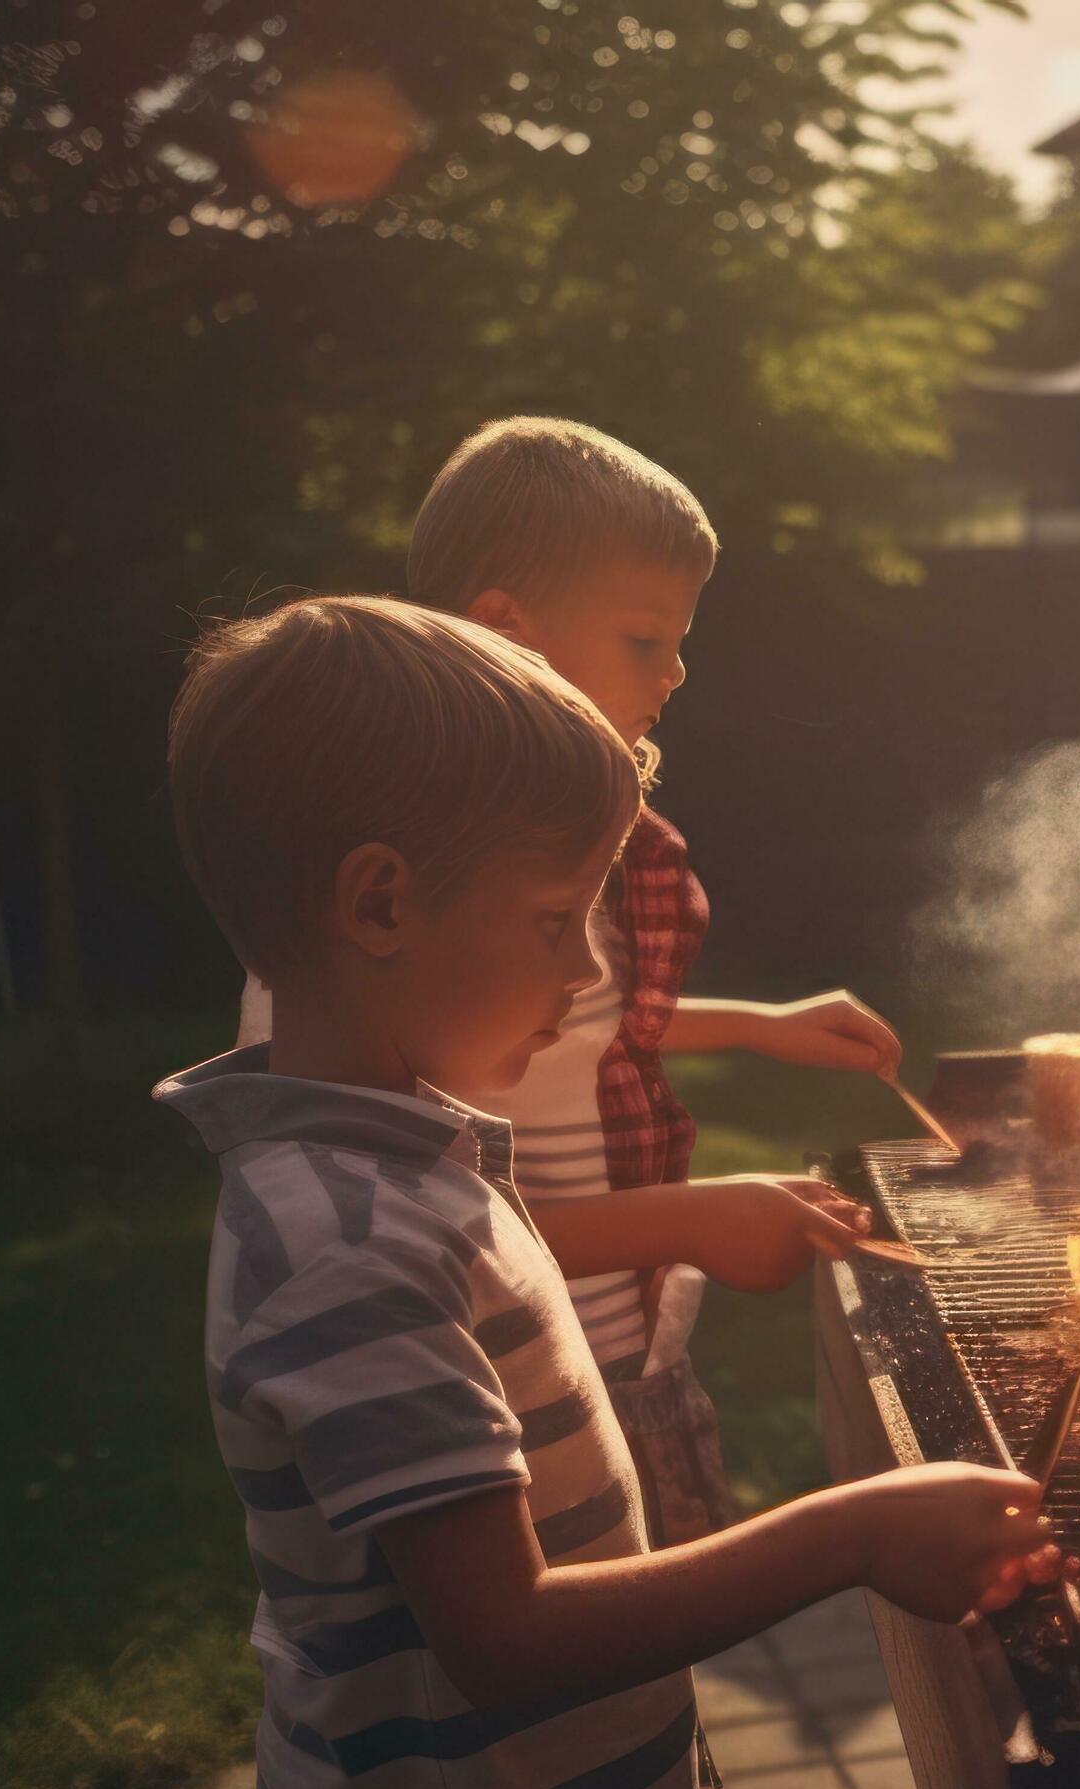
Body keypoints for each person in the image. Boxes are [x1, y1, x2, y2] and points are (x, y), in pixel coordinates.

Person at [156, 596, 1059, 1789]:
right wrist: (853, 1534)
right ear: (381, 901)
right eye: (554, 919)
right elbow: (507, 1638)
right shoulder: (343, 1246)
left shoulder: (404, 1157)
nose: (586, 974)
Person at [241, 417, 904, 1546]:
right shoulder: (398, 907)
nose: (678, 669)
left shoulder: (529, 852)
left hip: (618, 1349)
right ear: (511, 632)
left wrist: (760, 1027)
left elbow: (568, 1022)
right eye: (646, 637)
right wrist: (688, 1220)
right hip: (497, 1385)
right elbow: (412, 1231)